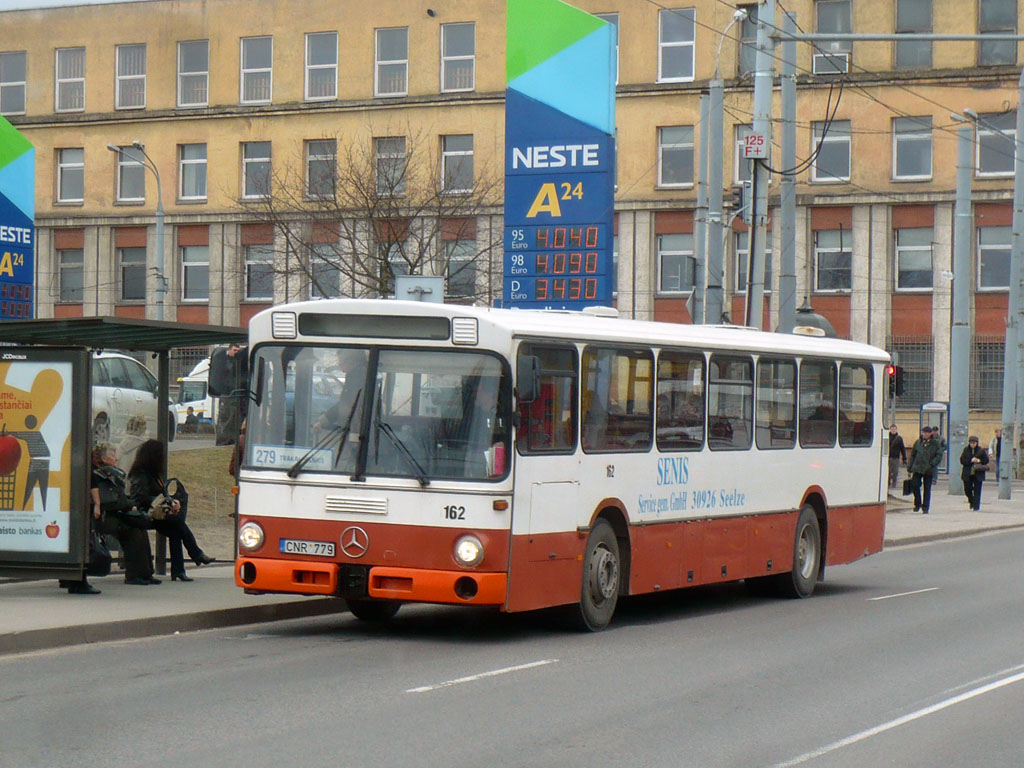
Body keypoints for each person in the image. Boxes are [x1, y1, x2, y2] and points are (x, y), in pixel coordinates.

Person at [127, 439, 213, 582]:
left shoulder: (152, 474)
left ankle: (183, 567)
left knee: (176, 529)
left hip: (156, 513)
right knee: (177, 525)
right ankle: (192, 558)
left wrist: (171, 501)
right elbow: (139, 498)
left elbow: (160, 494)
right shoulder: (141, 475)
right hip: (145, 513)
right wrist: (164, 501)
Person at [91, 443, 160, 585]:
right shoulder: (102, 475)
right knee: (132, 530)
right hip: (105, 517)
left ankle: (145, 573)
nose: (116, 459)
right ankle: (135, 574)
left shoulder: (108, 474)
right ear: (104, 458)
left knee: (139, 528)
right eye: (112, 455)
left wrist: (129, 505)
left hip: (113, 515)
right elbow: (110, 501)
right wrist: (130, 505)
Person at [908, 426, 943, 514]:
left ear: (930, 433)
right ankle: (917, 504)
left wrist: (932, 463)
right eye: (924, 432)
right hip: (917, 467)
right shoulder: (918, 442)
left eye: (927, 432)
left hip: (929, 469)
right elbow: (912, 455)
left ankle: (925, 507)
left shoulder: (935, 443)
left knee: (927, 488)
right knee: (915, 485)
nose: (925, 434)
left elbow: (939, 455)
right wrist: (909, 467)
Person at [960, 435, 990, 511]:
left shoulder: (981, 451)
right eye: (971, 443)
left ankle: (976, 506)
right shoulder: (966, 450)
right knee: (967, 489)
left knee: (977, 490)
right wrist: (970, 461)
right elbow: (962, 460)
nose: (973, 444)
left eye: (974, 443)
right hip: (968, 473)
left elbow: (986, 461)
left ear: (977, 443)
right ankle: (971, 501)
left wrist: (978, 461)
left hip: (978, 473)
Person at [887, 424, 906, 489]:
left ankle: (894, 484)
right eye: (892, 429)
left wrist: (904, 458)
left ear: (896, 430)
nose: (893, 430)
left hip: (896, 457)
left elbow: (902, 448)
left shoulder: (899, 438)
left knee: (895, 472)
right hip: (888, 457)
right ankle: (888, 483)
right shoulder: (887, 437)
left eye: (894, 429)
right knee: (888, 472)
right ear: (890, 429)